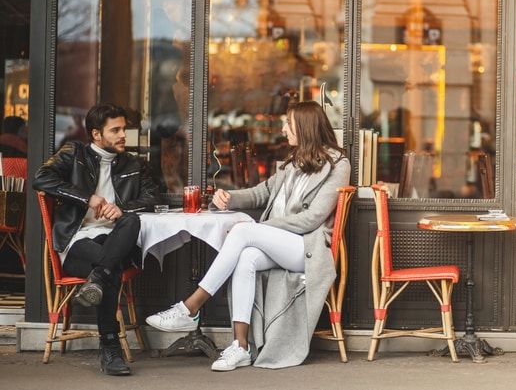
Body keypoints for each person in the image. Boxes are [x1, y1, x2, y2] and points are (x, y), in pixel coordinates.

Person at [146, 101, 350, 371]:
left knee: (243, 232)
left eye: (288, 123)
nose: (283, 128)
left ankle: (190, 307)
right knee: (247, 257)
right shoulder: (291, 163)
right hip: (283, 244)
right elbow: (262, 192)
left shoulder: (337, 164)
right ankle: (240, 346)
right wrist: (230, 198)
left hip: (309, 248)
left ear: (305, 126)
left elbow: (312, 218)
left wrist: (261, 229)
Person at [33, 104, 159, 376]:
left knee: (131, 221)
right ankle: (110, 347)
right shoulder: (74, 154)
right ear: (96, 134)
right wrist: (86, 198)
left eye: (124, 129)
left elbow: (154, 199)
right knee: (110, 269)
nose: (123, 135)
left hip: (117, 239)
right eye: (115, 130)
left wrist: (122, 209)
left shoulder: (133, 164)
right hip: (78, 241)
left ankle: (97, 280)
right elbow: (41, 178)